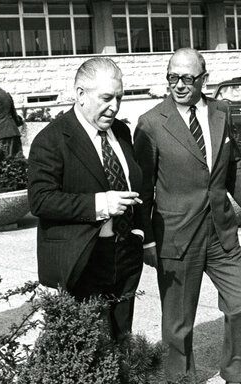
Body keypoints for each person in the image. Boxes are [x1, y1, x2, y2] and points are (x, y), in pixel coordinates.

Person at [134, 48, 241, 384]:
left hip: (221, 231)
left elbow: (232, 166)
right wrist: (146, 237)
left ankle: (236, 382)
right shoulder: (150, 123)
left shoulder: (220, 112)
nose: (178, 85)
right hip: (176, 234)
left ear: (203, 79)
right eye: (172, 77)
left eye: (187, 78)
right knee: (178, 322)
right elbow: (143, 189)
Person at [28, 57, 148, 340]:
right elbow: (41, 200)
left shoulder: (120, 130)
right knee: (89, 343)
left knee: (121, 337)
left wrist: (140, 234)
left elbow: (136, 183)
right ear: (80, 94)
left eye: (119, 98)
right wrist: (100, 204)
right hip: (83, 258)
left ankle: (122, 383)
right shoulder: (52, 140)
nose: (115, 107)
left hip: (126, 252)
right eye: (106, 98)